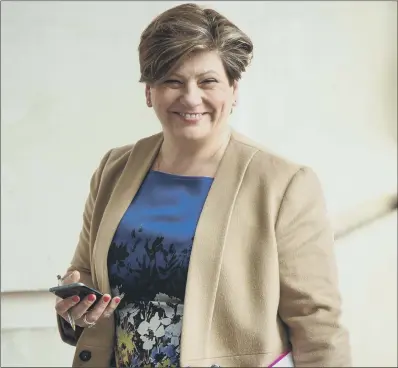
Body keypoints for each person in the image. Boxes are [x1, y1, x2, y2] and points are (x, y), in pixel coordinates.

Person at [55, 3, 351, 367]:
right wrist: (76, 308)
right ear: (150, 92)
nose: (191, 97)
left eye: (208, 81)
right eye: (172, 81)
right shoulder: (114, 168)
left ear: (233, 89)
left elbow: (317, 322)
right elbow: (85, 273)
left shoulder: (284, 184)